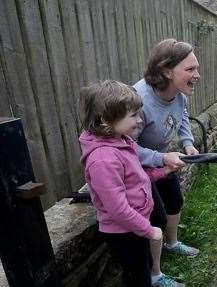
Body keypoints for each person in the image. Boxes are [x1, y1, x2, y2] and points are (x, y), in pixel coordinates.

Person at [78, 80, 179, 287]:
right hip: (123, 232)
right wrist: (149, 230)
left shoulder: (122, 141)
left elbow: (137, 179)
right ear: (106, 119)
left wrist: (163, 172)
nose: (139, 120)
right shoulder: (103, 159)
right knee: (137, 276)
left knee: (144, 265)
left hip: (135, 226)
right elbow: (118, 209)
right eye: (133, 115)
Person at [133, 38, 201, 287]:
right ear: (166, 70)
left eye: (197, 68)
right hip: (136, 169)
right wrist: (161, 158)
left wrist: (187, 142)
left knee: (175, 200)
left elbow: (182, 116)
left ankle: (171, 244)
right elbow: (125, 149)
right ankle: (155, 275)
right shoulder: (137, 101)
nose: (197, 75)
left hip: (161, 160)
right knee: (156, 219)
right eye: (190, 69)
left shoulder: (180, 93)